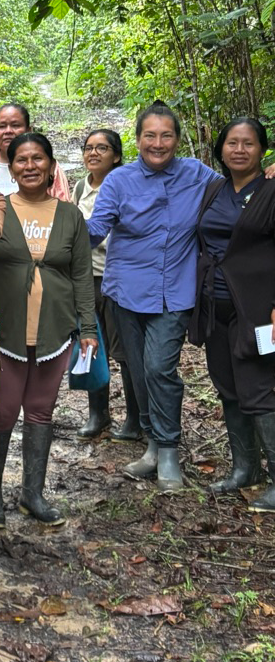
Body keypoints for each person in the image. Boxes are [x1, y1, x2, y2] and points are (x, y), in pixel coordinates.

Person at [87, 101, 222, 492]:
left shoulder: (197, 174)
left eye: (166, 135)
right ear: (138, 138)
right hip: (126, 290)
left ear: (177, 140)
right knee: (137, 368)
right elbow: (97, 228)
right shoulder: (119, 180)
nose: (158, 143)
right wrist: (58, 228)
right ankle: (151, 444)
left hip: (175, 291)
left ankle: (168, 451)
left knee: (160, 368)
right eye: (150, 136)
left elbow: (234, 189)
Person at [0, 133, 96, 529]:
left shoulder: (69, 216)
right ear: (10, 168)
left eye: (38, 159)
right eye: (21, 160)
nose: (30, 166)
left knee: (42, 410)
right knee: (4, 410)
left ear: (51, 165)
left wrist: (89, 327)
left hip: (55, 328)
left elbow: (82, 273)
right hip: (4, 329)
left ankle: (33, 494)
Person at [189, 117, 275, 507]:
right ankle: (245, 468)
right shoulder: (214, 189)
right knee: (227, 387)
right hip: (214, 306)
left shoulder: (271, 190)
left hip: (258, 308)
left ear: (262, 150)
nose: (239, 150)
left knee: (259, 390)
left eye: (249, 144)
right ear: (220, 149)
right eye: (232, 143)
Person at [73, 130, 141, 441]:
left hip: (118, 278)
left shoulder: (127, 184)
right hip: (87, 279)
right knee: (92, 345)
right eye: (89, 148)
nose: (94, 153)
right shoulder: (79, 188)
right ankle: (98, 413)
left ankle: (135, 417)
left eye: (103, 148)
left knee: (123, 349)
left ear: (116, 155)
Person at [0, 103, 71, 201]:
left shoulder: (48, 168)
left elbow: (63, 207)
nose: (8, 131)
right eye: (2, 126)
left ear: (29, 130)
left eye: (15, 125)